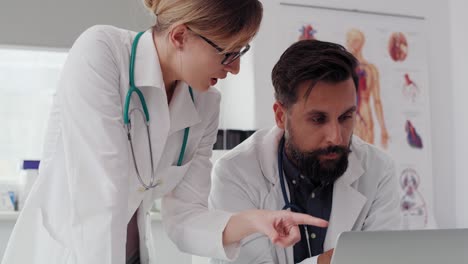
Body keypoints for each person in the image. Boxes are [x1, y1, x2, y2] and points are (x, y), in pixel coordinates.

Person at [1, 1, 328, 264]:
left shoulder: (205, 103)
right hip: (71, 251)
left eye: (241, 52)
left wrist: (254, 222)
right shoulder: (102, 52)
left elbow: (185, 218)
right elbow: (100, 198)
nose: (235, 68)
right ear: (180, 36)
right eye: (227, 53)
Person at [209, 40, 401, 264]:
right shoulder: (235, 173)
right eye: (318, 119)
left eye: (346, 117)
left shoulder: (378, 169)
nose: (336, 137)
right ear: (281, 116)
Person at [346, 28, 390, 149]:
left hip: (365, 114)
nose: (350, 44)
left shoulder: (371, 69)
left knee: (367, 156)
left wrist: (383, 128)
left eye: (354, 40)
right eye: (348, 40)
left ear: (361, 43)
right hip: (347, 116)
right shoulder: (343, 69)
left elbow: (377, 101)